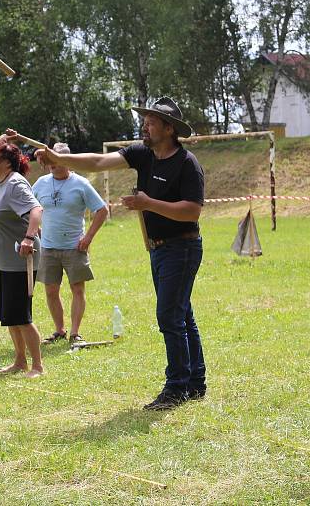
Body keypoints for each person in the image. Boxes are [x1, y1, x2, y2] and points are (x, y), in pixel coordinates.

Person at [32, 96, 206, 410]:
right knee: (182, 314)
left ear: (169, 128)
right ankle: (195, 383)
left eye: (151, 122)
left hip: (182, 247)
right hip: (158, 249)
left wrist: (148, 203)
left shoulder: (186, 163)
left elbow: (192, 212)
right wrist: (60, 160)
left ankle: (177, 386)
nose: (145, 126)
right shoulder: (143, 153)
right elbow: (98, 163)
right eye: (146, 121)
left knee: (170, 316)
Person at [0, 133, 44, 378]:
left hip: (20, 258)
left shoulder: (15, 183)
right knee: (9, 314)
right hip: (2, 260)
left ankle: (38, 366)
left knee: (21, 314)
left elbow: (36, 209)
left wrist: (29, 238)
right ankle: (19, 361)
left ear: (7, 162)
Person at [32, 142, 109, 345]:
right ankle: (60, 330)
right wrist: (36, 230)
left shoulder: (81, 184)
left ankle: (75, 333)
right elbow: (31, 207)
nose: (52, 165)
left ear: (68, 161)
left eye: (56, 160)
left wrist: (88, 237)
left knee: (77, 289)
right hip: (48, 247)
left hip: (75, 247)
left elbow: (102, 210)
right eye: (50, 161)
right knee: (51, 291)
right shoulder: (41, 183)